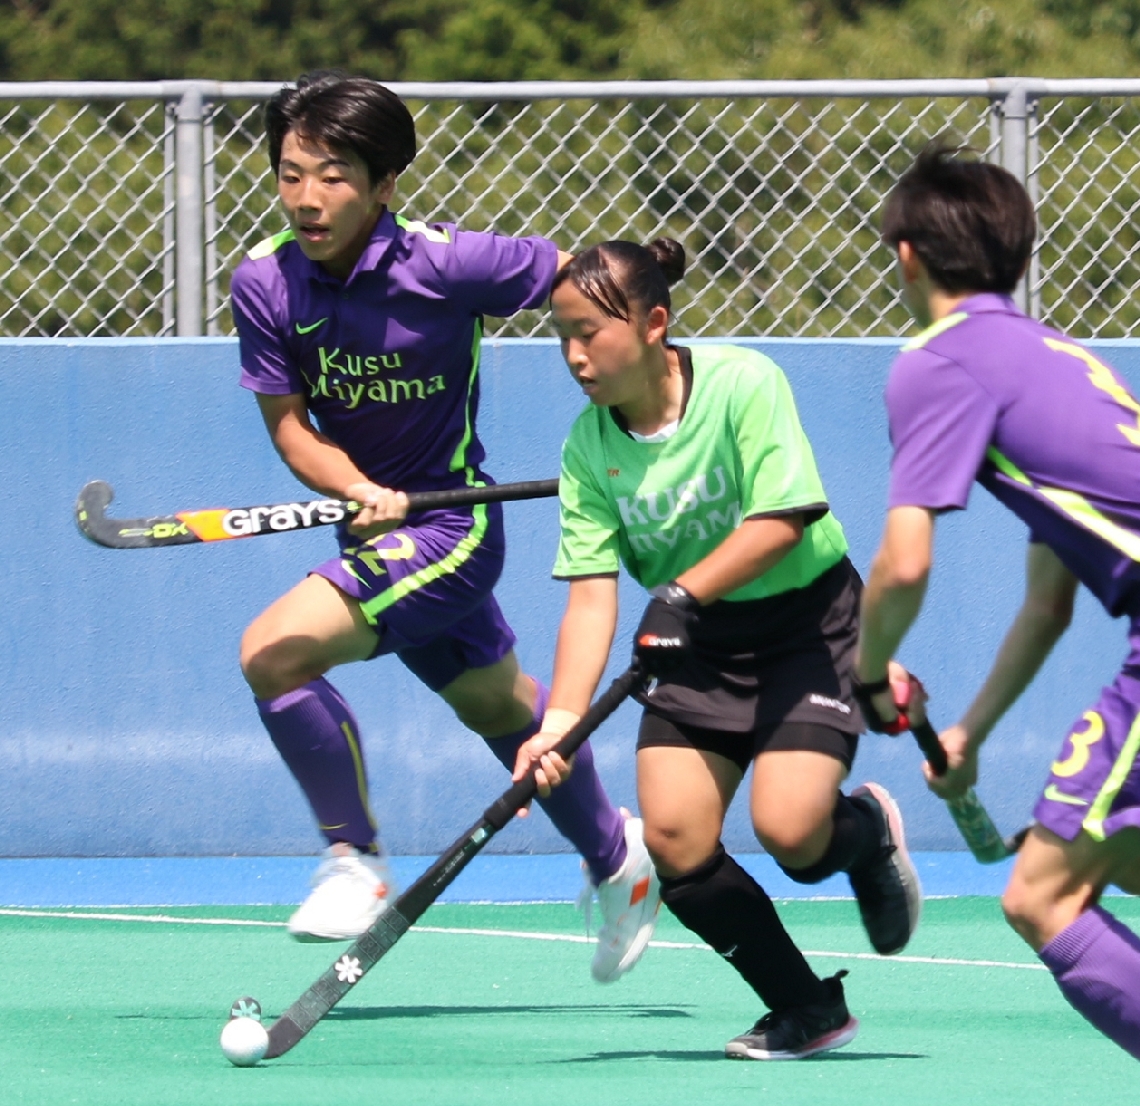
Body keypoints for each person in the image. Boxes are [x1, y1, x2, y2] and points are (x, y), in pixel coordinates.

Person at [229, 71, 659, 983]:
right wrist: (356, 486)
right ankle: (618, 860)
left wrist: (651, 392)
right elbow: (290, 429)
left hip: (451, 528)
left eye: (333, 176)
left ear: (384, 183)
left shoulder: (448, 263)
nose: (307, 198)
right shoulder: (264, 282)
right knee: (499, 709)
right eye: (291, 174)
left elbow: (582, 283)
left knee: (272, 653)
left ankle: (353, 860)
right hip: (374, 531)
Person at [517, 237, 922, 1060]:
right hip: (695, 651)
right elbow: (591, 597)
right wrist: (559, 722)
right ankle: (805, 1008)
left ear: (654, 324)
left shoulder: (743, 383)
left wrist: (680, 594)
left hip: (806, 629)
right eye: (562, 336)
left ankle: (866, 835)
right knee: (675, 844)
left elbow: (783, 519)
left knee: (793, 835)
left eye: (590, 332)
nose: (574, 355)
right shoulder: (587, 447)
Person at [857, 142, 1140, 1060]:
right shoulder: (1060, 358)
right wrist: (971, 732)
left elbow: (903, 567)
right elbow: (1048, 606)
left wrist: (867, 673)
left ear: (907, 256)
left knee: (1042, 894)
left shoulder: (938, 362)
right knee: (1120, 860)